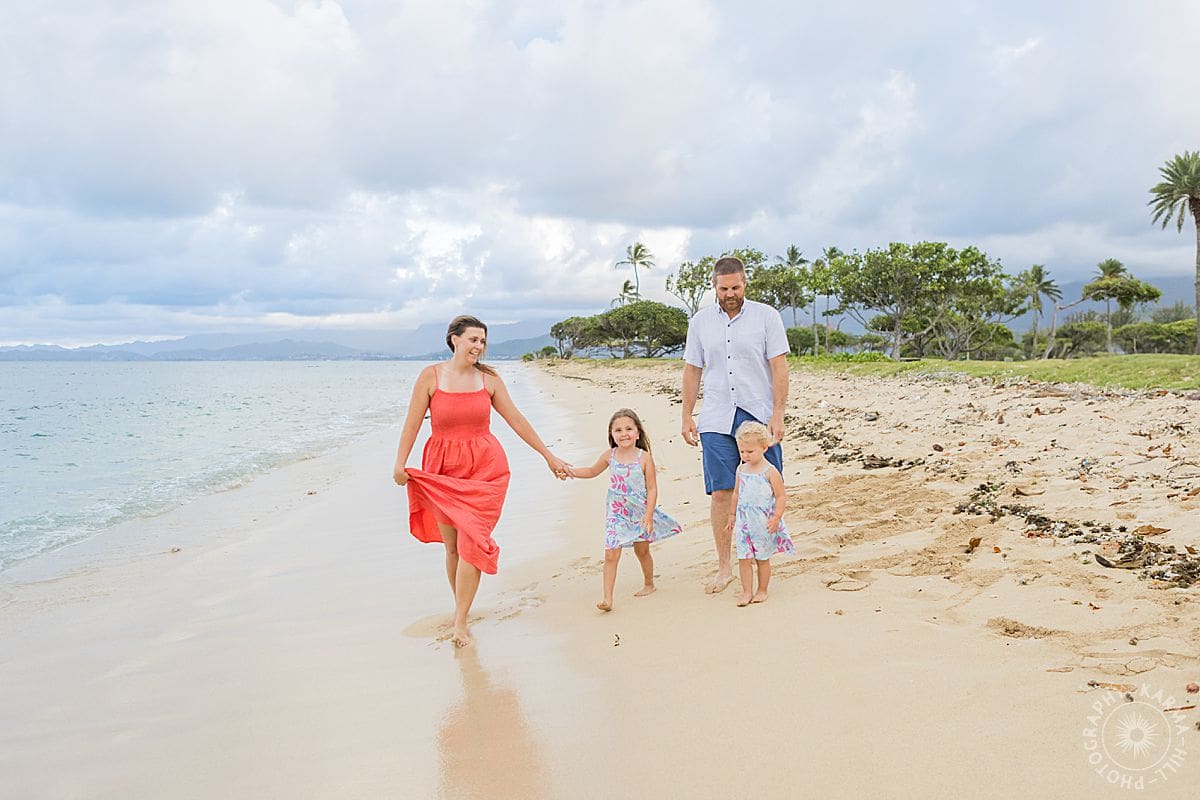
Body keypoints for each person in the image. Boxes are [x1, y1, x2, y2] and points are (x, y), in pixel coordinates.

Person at [393, 315, 572, 647]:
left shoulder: (489, 379)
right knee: (452, 548)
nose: (479, 346)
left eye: (482, 341)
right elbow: (413, 422)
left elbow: (516, 419)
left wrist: (548, 456)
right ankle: (461, 608)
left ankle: (460, 622)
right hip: (442, 469)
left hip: (485, 470)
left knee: (472, 543)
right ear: (454, 339)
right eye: (473, 339)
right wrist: (400, 463)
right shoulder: (431, 376)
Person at [681, 255, 790, 593]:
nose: (730, 294)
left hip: (757, 414)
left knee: (765, 486)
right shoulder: (700, 322)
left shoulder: (766, 317)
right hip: (715, 415)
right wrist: (686, 414)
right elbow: (692, 370)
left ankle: (762, 557)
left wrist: (778, 413)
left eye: (736, 288)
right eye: (724, 289)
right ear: (714, 287)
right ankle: (725, 566)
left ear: (745, 284)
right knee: (722, 492)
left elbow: (779, 366)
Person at [568, 408, 682, 611]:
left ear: (638, 433)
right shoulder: (609, 456)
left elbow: (652, 488)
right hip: (616, 512)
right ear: (612, 435)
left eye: (629, 429)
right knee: (611, 553)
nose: (624, 434)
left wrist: (648, 514)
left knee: (642, 551)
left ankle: (649, 583)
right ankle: (607, 599)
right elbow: (591, 471)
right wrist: (570, 471)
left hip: (639, 511)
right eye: (618, 430)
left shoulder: (644, 458)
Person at [726, 422, 793, 606]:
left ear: (764, 447)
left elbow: (780, 496)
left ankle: (762, 589)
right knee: (743, 558)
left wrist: (776, 517)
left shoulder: (770, 472)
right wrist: (732, 515)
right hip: (744, 522)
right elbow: (736, 493)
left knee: (762, 558)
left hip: (762, 522)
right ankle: (747, 591)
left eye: (750, 451)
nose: (745, 455)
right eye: (742, 451)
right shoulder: (741, 470)